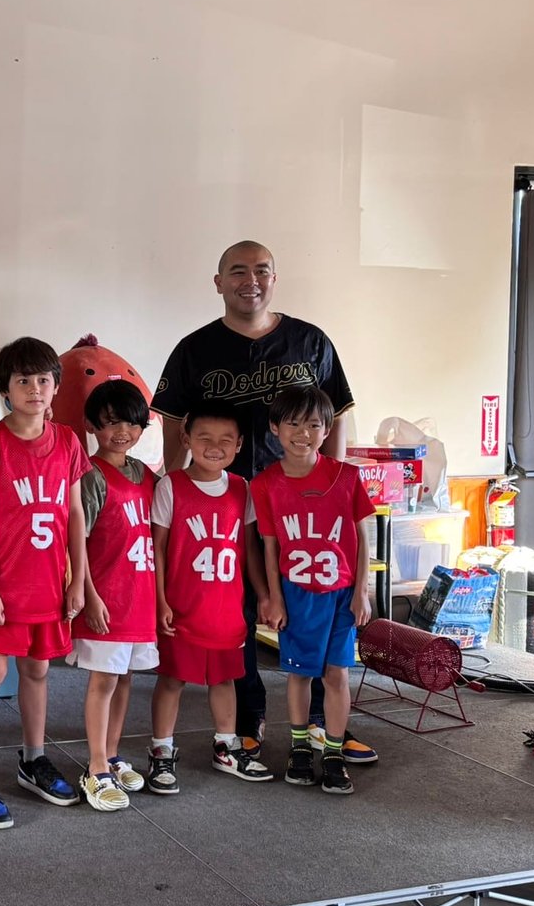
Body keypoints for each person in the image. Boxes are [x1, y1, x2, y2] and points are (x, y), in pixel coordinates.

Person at [151, 241, 377, 765]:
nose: (249, 281)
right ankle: (248, 721)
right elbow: (172, 422)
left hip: (300, 506)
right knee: (240, 614)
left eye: (261, 271)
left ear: (275, 278)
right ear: (218, 282)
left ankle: (322, 724)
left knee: (315, 610)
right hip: (225, 504)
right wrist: (174, 487)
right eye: (237, 271)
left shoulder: (310, 341)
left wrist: (335, 484)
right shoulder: (194, 349)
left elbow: (336, 416)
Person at [0, 337, 89, 827]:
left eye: (43, 379)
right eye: (23, 381)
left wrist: (77, 578)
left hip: (49, 583)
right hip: (5, 585)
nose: (34, 389)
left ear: (55, 385)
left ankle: (33, 758)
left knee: (37, 671)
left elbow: (74, 513)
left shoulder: (69, 442)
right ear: (5, 390)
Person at [147, 401, 275, 794]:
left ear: (239, 445)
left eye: (225, 439)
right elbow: (158, 549)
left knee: (225, 679)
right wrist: (159, 600)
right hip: (182, 607)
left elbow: (250, 548)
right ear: (186, 439)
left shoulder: (242, 488)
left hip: (226, 608)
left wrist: (264, 595)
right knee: (172, 679)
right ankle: (161, 749)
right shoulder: (170, 486)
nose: (214, 447)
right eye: (204, 437)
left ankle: (226, 746)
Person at [252, 386, 374, 794]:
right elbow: (270, 547)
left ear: (326, 430)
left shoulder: (347, 477)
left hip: (340, 593)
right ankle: (300, 746)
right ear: (274, 428)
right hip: (296, 593)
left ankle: (334, 752)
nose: (303, 433)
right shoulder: (266, 484)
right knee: (299, 673)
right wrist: (274, 597)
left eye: (313, 425)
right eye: (293, 423)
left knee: (337, 672)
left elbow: (362, 538)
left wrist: (362, 591)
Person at [69, 380, 159, 811]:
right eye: (111, 423)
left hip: (139, 596)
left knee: (125, 678)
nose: (122, 432)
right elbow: (77, 543)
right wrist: (89, 595)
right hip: (106, 597)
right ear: (92, 426)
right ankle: (95, 767)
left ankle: (112, 752)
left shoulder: (146, 474)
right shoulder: (89, 476)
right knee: (103, 679)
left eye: (132, 423)